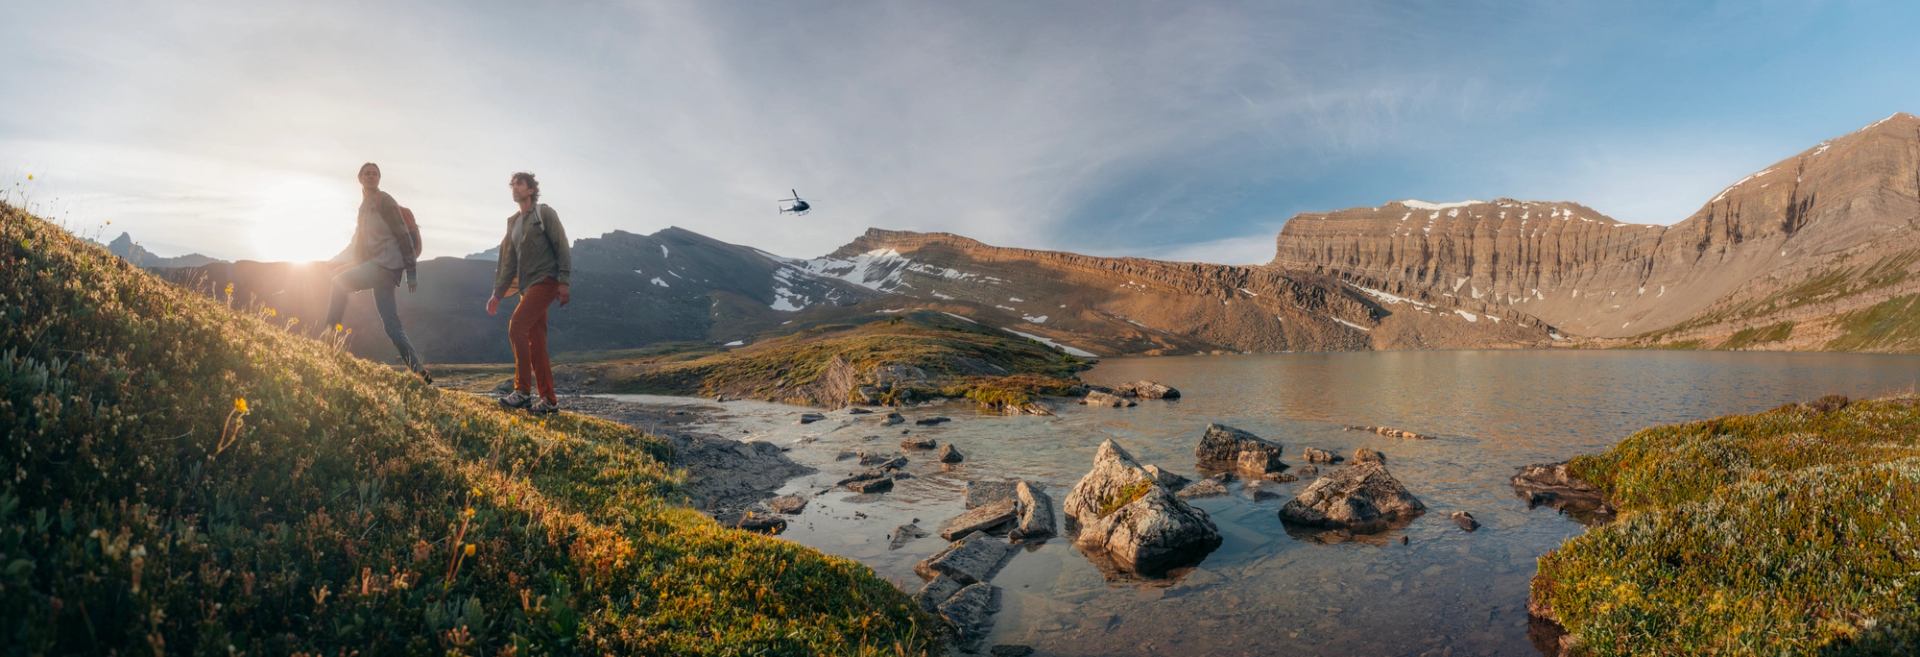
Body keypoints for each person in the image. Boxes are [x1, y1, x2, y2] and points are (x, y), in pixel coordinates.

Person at [326, 162, 430, 383]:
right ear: (360, 178)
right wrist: (338, 262)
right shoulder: (363, 208)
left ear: (379, 178)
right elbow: (358, 244)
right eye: (367, 173)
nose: (371, 176)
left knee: (338, 283)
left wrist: (411, 272)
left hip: (385, 266)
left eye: (374, 173)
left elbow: (402, 235)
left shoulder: (385, 201)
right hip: (379, 267)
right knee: (392, 326)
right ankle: (420, 372)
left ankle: (327, 341)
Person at [487, 171, 571, 414]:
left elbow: (562, 245)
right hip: (526, 288)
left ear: (531, 189)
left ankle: (522, 391)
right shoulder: (513, 223)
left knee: (516, 326)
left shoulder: (544, 213)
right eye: (512, 185)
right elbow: (509, 263)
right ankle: (549, 401)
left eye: (520, 184)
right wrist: (498, 293)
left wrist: (564, 281)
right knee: (536, 343)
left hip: (545, 280)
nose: (515, 188)